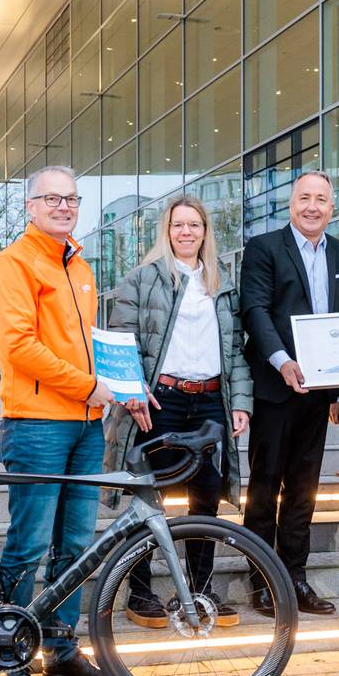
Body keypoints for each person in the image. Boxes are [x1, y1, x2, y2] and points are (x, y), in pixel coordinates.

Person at [0, 164, 114, 676]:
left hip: (86, 426)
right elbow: (18, 346)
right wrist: (88, 385)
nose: (64, 206)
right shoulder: (13, 263)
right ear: (30, 207)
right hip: (38, 423)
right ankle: (7, 652)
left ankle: (60, 649)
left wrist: (118, 385)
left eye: (72, 198)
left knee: (76, 545)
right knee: (30, 542)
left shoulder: (79, 266)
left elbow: (87, 343)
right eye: (52, 198)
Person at [104, 195, 253, 629]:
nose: (186, 232)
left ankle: (202, 590)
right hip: (158, 402)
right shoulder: (142, 279)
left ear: (206, 232)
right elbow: (120, 341)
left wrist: (240, 404)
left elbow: (237, 353)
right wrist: (132, 393)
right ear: (166, 232)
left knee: (205, 499)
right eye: (177, 225)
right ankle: (140, 590)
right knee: (150, 496)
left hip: (209, 401)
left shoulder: (222, 284)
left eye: (194, 225)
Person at [239, 170, 339, 616]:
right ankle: (260, 581)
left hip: (319, 392)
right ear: (291, 203)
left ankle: (295, 579)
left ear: (332, 207)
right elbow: (255, 310)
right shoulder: (264, 248)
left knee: (304, 490)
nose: (312, 206)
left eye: (321, 200)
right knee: (265, 485)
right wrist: (281, 360)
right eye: (304, 198)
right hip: (274, 387)